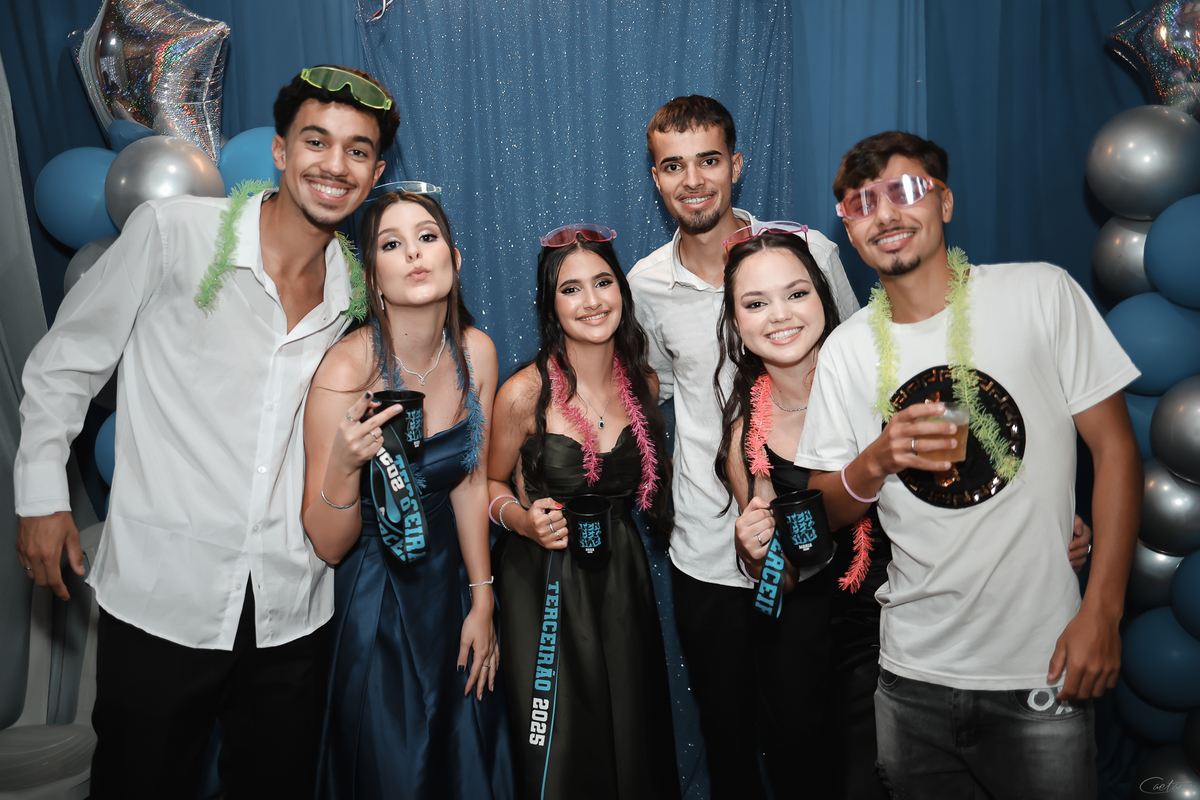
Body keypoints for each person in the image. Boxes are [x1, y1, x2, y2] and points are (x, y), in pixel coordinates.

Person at [13, 66, 397, 796]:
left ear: (375, 174)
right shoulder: (174, 233)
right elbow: (64, 364)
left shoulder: (354, 291)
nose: (334, 165)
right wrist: (40, 498)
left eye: (357, 151)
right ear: (281, 150)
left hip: (291, 608)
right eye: (316, 141)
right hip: (164, 595)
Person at [798, 131, 1142, 799]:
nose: (884, 214)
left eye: (905, 191)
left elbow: (1117, 451)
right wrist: (877, 460)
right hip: (909, 678)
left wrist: (1102, 612)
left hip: (1041, 665)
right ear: (849, 229)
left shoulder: (1040, 293)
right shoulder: (845, 350)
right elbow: (823, 510)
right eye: (861, 203)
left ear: (945, 202)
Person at [627, 94, 858, 797]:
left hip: (812, 541)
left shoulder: (806, 253)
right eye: (673, 166)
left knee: (810, 741)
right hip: (706, 549)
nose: (693, 180)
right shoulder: (644, 284)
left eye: (708, 160)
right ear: (656, 178)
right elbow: (656, 390)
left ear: (736, 165)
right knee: (727, 740)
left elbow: (859, 369)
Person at [303, 190, 512, 798]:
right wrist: (343, 466)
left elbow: (471, 479)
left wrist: (482, 599)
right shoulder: (346, 371)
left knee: (464, 756)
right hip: (376, 593)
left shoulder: (476, 352)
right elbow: (327, 543)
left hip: (451, 584)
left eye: (427, 237)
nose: (415, 254)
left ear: (454, 257)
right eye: (392, 244)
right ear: (372, 276)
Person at [487, 225, 679, 800]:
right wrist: (522, 520)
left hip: (620, 575)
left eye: (603, 282)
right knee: (561, 747)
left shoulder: (644, 385)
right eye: (571, 289)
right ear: (550, 304)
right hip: (542, 581)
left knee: (631, 730)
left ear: (622, 289)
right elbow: (488, 484)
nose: (592, 301)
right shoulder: (524, 393)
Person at [712, 226, 891, 800]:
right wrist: (754, 557)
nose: (780, 315)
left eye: (796, 293)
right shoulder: (747, 435)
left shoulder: (882, 391)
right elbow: (778, 585)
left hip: (893, 628)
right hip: (798, 646)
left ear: (823, 298)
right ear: (736, 323)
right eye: (755, 303)